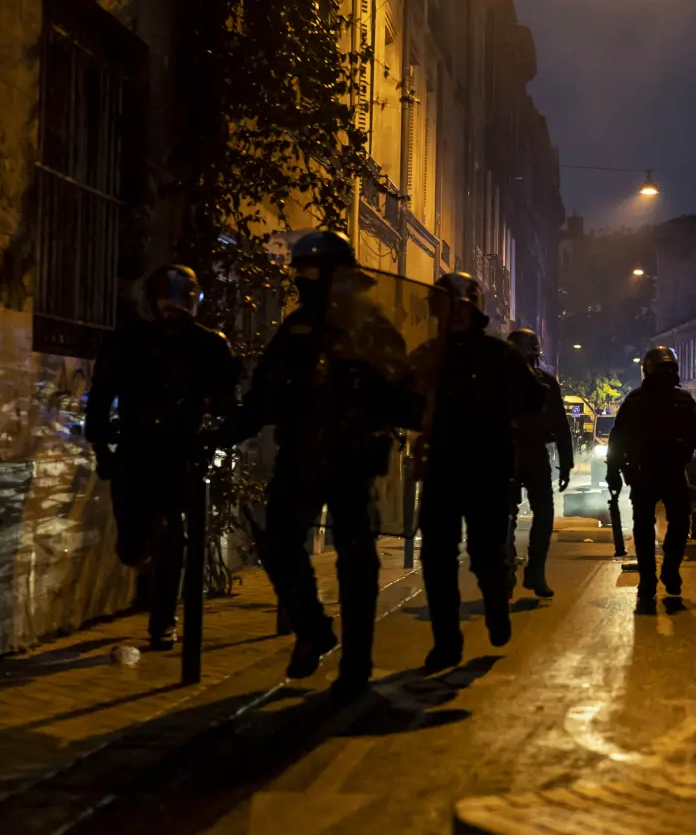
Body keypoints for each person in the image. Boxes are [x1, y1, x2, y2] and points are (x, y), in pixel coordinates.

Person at [218, 232, 418, 693]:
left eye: (313, 274)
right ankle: (313, 629)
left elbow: (403, 393)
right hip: (303, 455)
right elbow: (264, 396)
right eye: (301, 274)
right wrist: (223, 433)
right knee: (279, 543)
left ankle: (357, 664)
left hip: (352, 461)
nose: (304, 283)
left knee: (356, 559)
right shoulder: (297, 329)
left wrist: (384, 399)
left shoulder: (372, 331)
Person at [86, 265, 240, 650]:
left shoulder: (208, 345)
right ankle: (139, 548)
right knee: (133, 540)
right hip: (136, 447)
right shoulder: (129, 341)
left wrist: (213, 430)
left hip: (179, 449)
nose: (172, 309)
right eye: (165, 300)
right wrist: (102, 446)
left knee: (174, 535)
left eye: (180, 300)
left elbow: (226, 400)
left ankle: (163, 620)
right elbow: (101, 396)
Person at [408, 274, 550, 668]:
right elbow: (403, 400)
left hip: (488, 468)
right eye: (446, 305)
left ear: (474, 310)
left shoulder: (497, 355)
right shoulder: (429, 355)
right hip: (440, 467)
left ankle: (495, 607)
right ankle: (446, 642)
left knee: (486, 552)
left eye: (461, 306)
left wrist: (513, 396)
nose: (453, 314)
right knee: (436, 557)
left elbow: (533, 397)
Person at [608, 346, 696, 614]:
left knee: (647, 526)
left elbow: (617, 438)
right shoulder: (681, 401)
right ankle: (667, 572)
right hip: (665, 472)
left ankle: (651, 580)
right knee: (677, 522)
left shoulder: (637, 400)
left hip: (646, 472)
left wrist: (614, 471)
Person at [507, 328, 574, 598]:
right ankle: (521, 572)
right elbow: (559, 423)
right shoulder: (501, 380)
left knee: (532, 515)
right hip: (513, 452)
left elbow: (558, 421)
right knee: (515, 516)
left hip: (526, 453)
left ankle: (530, 571)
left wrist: (566, 461)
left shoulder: (544, 381)